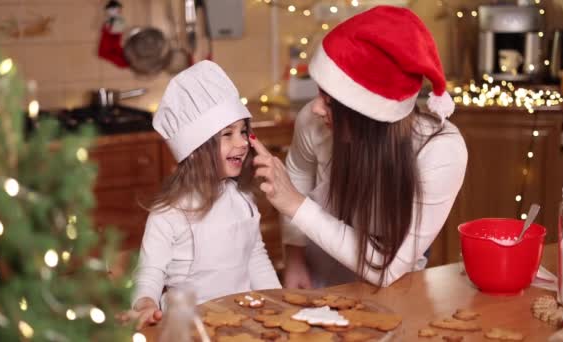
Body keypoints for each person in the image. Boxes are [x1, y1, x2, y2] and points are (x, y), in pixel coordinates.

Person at [250, 6, 468, 289]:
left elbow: (387, 269)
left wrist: (294, 204)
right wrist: (295, 258)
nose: (315, 109)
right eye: (320, 94)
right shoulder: (315, 122)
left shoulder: (439, 154)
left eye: (330, 102)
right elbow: (299, 177)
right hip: (320, 274)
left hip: (393, 287)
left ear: (368, 115)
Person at [126, 61, 281, 329]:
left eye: (243, 131)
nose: (243, 142)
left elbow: (255, 257)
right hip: (189, 327)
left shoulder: (242, 199)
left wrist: (278, 302)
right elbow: (150, 271)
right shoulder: (170, 212)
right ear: (196, 148)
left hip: (246, 323)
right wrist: (145, 303)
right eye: (228, 134)